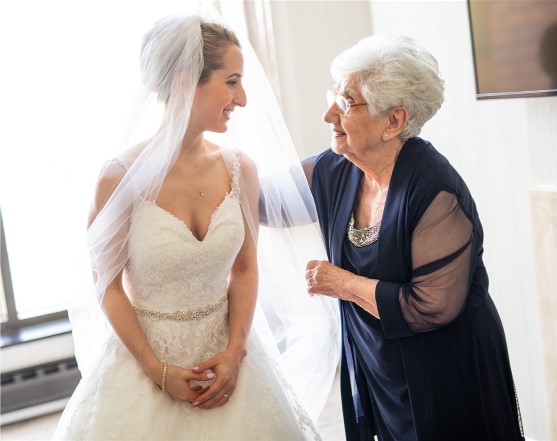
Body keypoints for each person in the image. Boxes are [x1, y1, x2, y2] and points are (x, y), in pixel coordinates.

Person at [53, 12, 339, 441]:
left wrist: (236, 352)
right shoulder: (118, 179)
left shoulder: (240, 168)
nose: (242, 99)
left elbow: (244, 269)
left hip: (229, 360)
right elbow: (107, 287)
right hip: (145, 365)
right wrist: (158, 370)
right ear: (186, 80)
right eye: (231, 81)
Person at [302, 34, 525, 441]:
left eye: (347, 101)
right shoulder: (337, 168)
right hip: (381, 366)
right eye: (334, 94)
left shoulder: (435, 191)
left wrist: (342, 283)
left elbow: (429, 307)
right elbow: (256, 196)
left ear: (394, 121)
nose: (328, 115)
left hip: (444, 371)